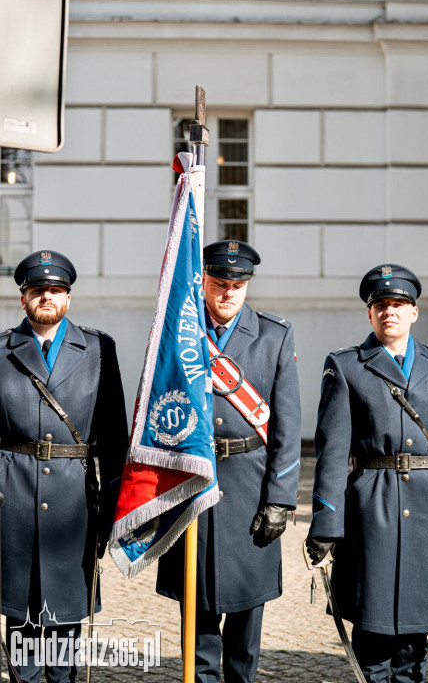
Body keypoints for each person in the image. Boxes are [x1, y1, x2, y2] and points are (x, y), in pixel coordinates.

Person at [157, 239, 302, 683]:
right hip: (193, 490)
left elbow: (288, 426)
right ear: (203, 282)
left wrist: (280, 499)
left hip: (249, 490)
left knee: (244, 639)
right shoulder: (178, 333)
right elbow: (157, 412)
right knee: (198, 635)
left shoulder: (274, 334)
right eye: (220, 283)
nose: (228, 293)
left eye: (238, 285)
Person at [0, 249, 129, 683]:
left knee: (66, 623)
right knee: (22, 622)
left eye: (55, 290)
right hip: (12, 502)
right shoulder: (1, 351)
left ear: (68, 298)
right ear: (23, 298)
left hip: (75, 503)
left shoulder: (97, 349)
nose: (47, 297)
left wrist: (112, 515)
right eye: (38, 290)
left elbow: (115, 438)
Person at [307, 263, 428, 683]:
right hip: (372, 508)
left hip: (427, 510)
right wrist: (325, 523)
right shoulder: (347, 366)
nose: (389, 312)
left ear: (414, 311)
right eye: (381, 305)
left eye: (399, 304)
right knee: (372, 633)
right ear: (369, 314)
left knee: (415, 642)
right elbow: (331, 451)